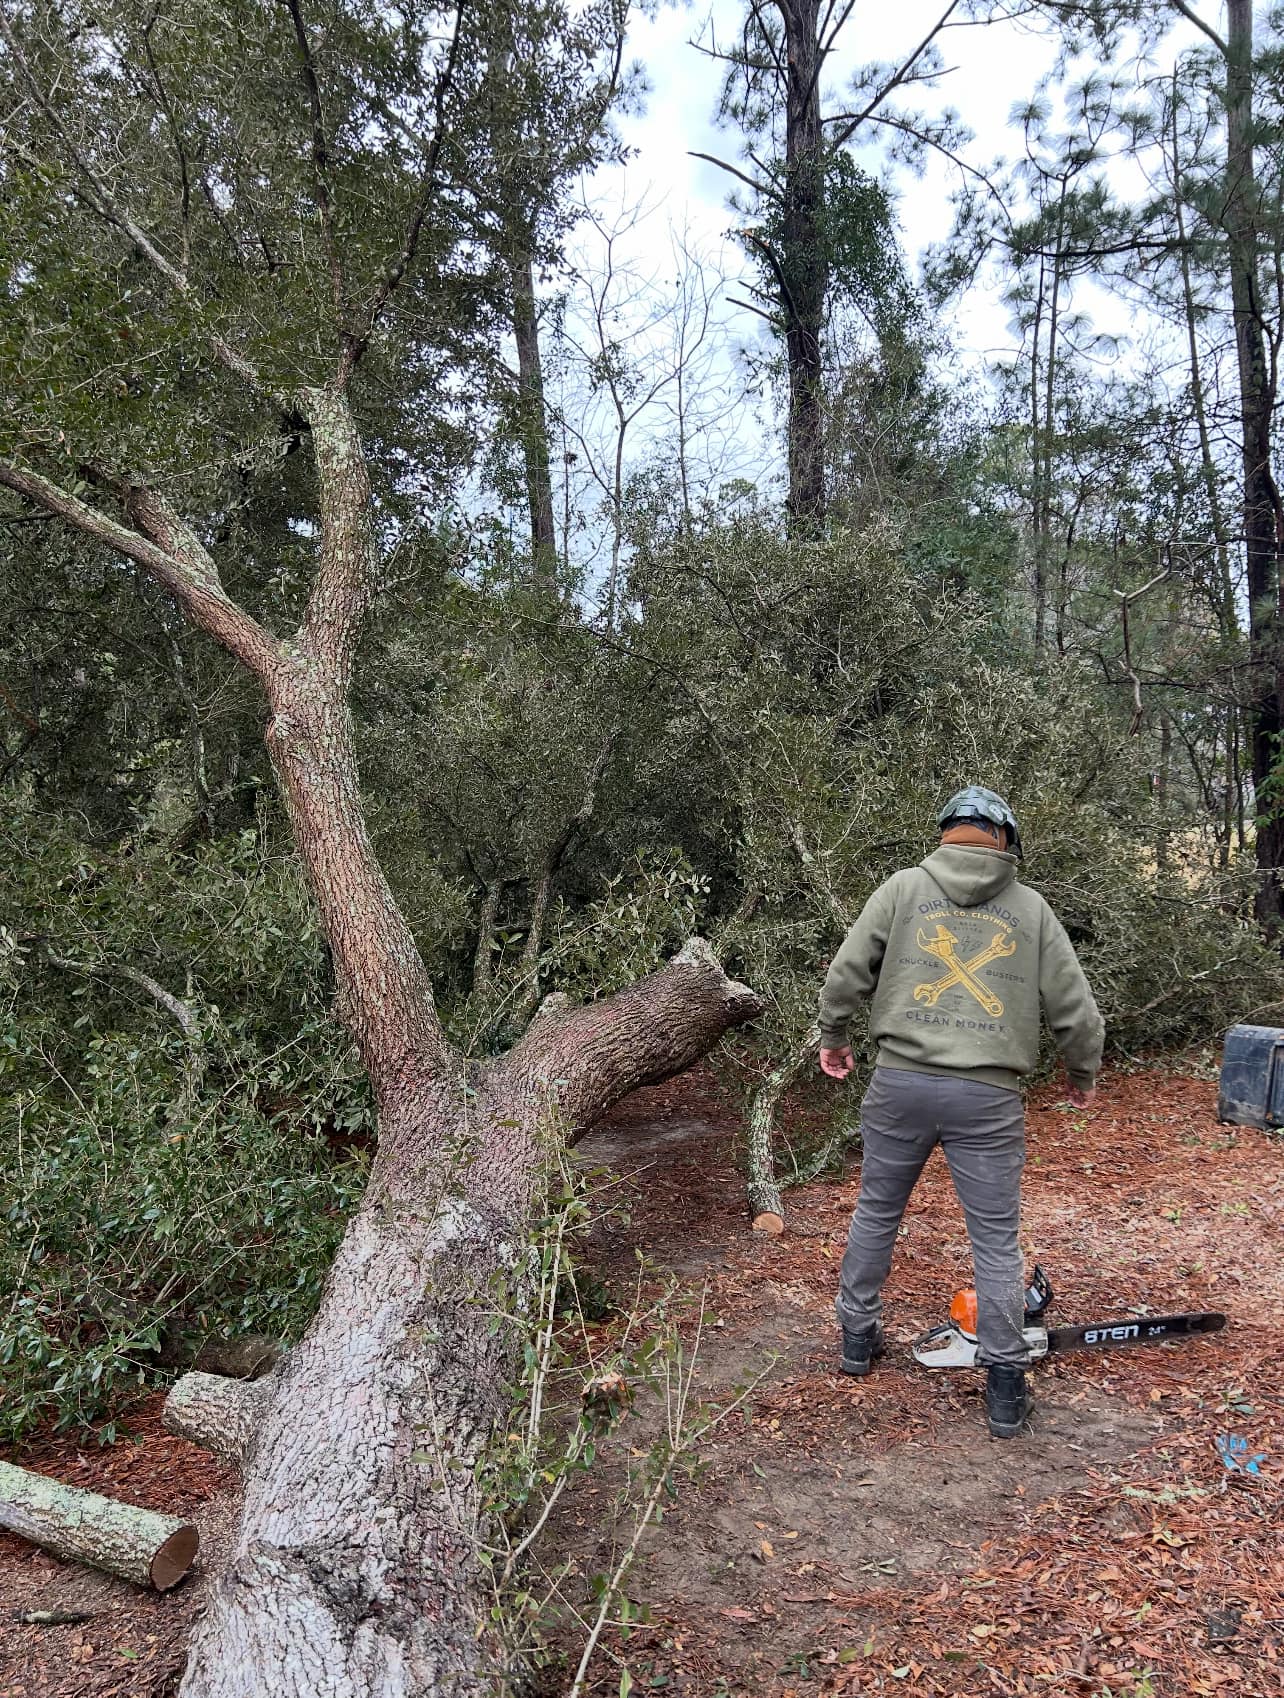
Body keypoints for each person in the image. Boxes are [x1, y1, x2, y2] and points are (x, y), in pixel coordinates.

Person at [817, 786, 1104, 1438]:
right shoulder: (1030, 910)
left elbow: (845, 974)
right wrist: (1081, 1072)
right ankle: (1005, 1387)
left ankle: (856, 1340)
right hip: (988, 1097)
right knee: (996, 1242)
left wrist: (833, 1037)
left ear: (947, 833)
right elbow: (1076, 1010)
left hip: (900, 1084)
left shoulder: (901, 889)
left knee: (877, 1210)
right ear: (1005, 842)